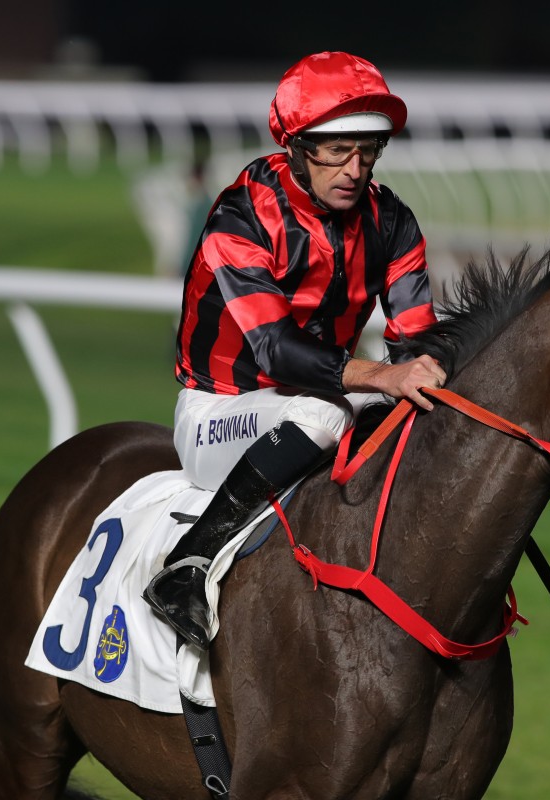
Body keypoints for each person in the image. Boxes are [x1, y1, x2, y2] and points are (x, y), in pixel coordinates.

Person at [144, 51, 446, 650]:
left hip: (313, 401)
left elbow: (418, 341)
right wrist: (384, 377)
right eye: (336, 150)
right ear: (296, 146)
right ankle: (185, 566)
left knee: (398, 420)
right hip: (220, 412)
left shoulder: (393, 223)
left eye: (368, 150)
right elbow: (277, 353)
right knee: (328, 412)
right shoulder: (241, 216)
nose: (355, 169)